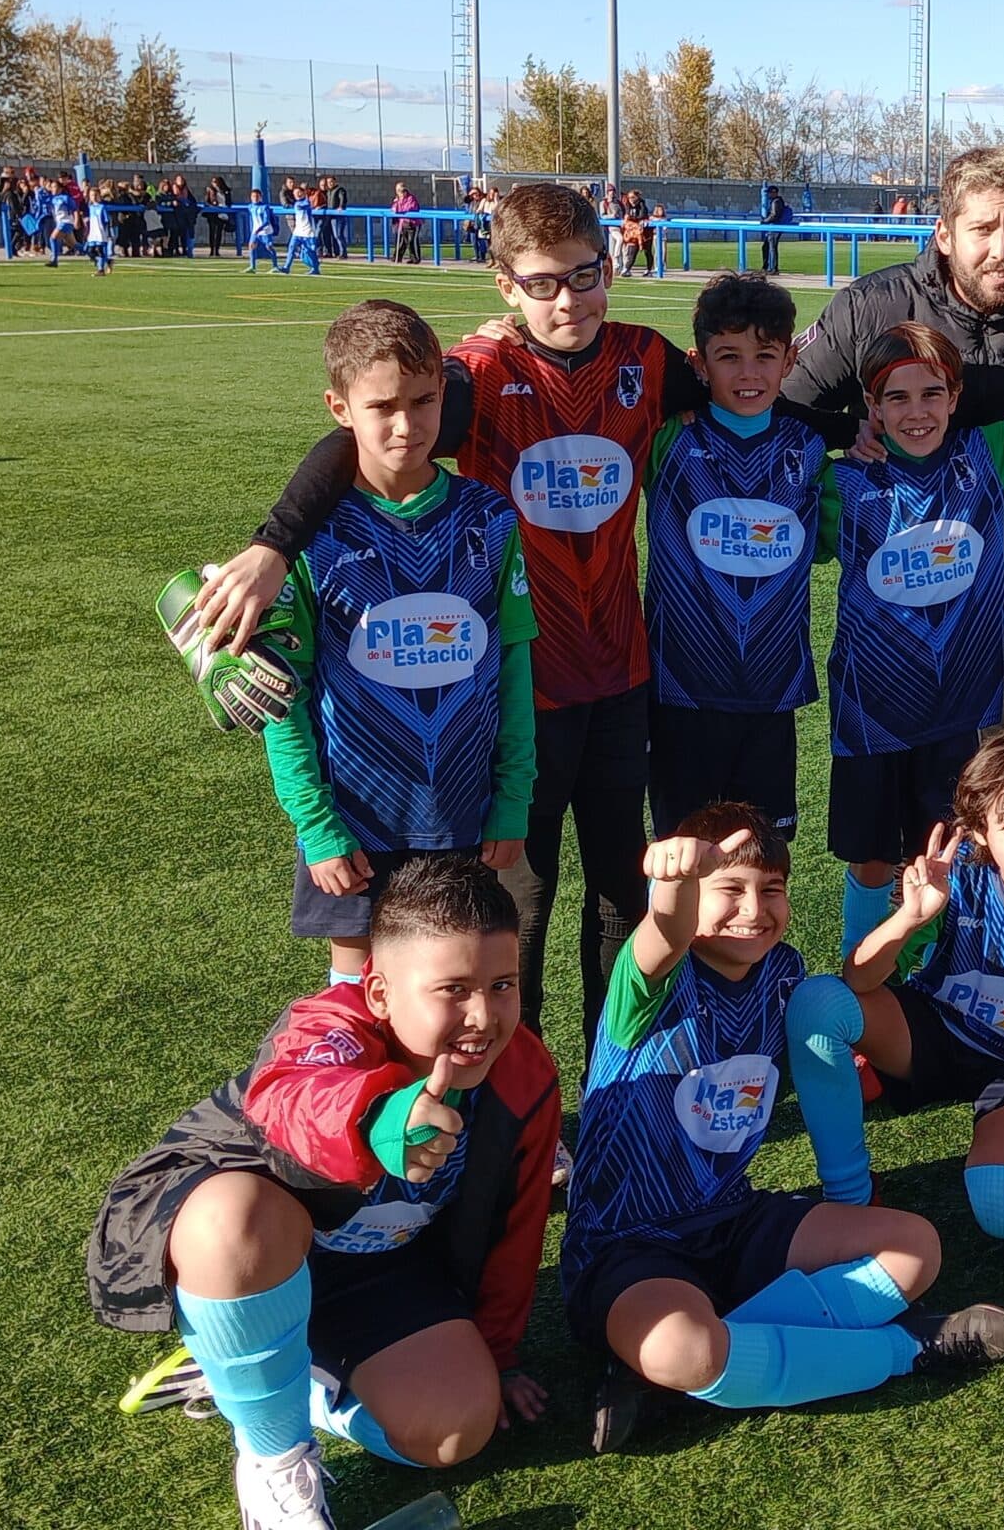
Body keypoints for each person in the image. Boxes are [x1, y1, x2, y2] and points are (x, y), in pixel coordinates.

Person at [198, 184, 752, 1060]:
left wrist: (861, 425)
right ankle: (516, 1088)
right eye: (542, 283)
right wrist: (274, 546)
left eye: (585, 274)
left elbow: (747, 384)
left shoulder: (646, 357)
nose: (568, 299)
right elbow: (366, 434)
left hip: (622, 676)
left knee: (621, 892)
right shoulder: (476, 376)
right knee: (513, 906)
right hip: (519, 697)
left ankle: (618, 1076)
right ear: (504, 285)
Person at [90, 857, 559, 1530]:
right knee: (236, 1218)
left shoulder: (525, 1071)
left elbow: (519, 1225)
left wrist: (500, 1354)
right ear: (378, 994)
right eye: (453, 988)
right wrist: (379, 1120)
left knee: (456, 1432)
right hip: (256, 1246)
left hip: (376, 1271)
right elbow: (295, 1100)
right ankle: (273, 1459)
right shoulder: (325, 1028)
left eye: (503, 983)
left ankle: (254, 1371)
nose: (483, 1014)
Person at [565, 804, 1004, 1453]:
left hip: (733, 1220)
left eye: (771, 890)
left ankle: (664, 1382)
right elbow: (662, 934)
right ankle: (905, 1349)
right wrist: (672, 886)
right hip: (632, 1247)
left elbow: (842, 995)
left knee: (914, 1247)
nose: (754, 909)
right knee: (681, 1345)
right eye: (729, 889)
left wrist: (908, 918)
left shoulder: (778, 972)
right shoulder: (651, 986)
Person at [225, 299, 539, 982]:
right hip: (358, 822)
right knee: (360, 1005)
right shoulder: (310, 542)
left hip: (465, 816)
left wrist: (512, 800)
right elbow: (287, 701)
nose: (407, 424)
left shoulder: (490, 520)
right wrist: (316, 826)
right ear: (339, 408)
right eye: (382, 407)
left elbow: (514, 672)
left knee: (452, 995)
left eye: (424, 401)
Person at [780, 145, 1004, 730]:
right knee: (909, 775)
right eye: (982, 228)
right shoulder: (871, 309)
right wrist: (850, 427)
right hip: (909, 572)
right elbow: (785, 405)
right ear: (944, 234)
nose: (1001, 250)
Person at [788, 730, 1004, 1240]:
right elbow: (857, 978)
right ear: (979, 830)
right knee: (816, 1004)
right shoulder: (959, 880)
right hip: (938, 1034)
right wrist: (910, 917)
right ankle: (850, 1195)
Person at [822, 321, 1004, 940]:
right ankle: (861, 973)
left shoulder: (989, 453)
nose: (916, 412)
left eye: (932, 394)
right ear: (871, 407)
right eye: (896, 398)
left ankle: (945, 968)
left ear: (956, 396)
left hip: (961, 706)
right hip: (872, 709)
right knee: (871, 857)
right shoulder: (844, 480)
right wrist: (840, 435)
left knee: (952, 846)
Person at [643, 272, 830, 841]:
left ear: (789, 362)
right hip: (681, 686)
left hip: (772, 688)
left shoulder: (810, 447)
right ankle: (671, 937)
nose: (748, 373)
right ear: (699, 363)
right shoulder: (667, 438)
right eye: (729, 357)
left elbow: (826, 542)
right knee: (682, 852)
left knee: (765, 851)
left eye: (764, 356)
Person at [280, 181, 324, 276]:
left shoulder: (306, 203)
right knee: (291, 248)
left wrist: (307, 196)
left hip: (307, 232)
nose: (297, 195)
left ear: (303, 193)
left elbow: (307, 205)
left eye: (299, 193)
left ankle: (315, 268)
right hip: (298, 231)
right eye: (295, 194)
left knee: (310, 251)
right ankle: (287, 267)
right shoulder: (297, 204)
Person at [390, 182, 423, 265]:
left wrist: (400, 211)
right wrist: (396, 207)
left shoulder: (411, 198)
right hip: (403, 223)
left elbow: (410, 208)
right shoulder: (397, 199)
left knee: (412, 240)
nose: (400, 192)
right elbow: (393, 208)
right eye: (398, 191)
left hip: (413, 223)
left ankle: (416, 258)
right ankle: (397, 257)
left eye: (401, 190)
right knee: (403, 241)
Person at [205, 174, 232, 257]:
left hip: (222, 213)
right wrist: (213, 205)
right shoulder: (210, 189)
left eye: (216, 182)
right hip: (213, 213)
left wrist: (225, 207)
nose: (214, 184)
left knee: (219, 232)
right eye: (213, 182)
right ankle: (212, 250)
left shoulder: (225, 191)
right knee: (212, 232)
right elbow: (207, 201)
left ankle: (217, 250)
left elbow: (229, 202)